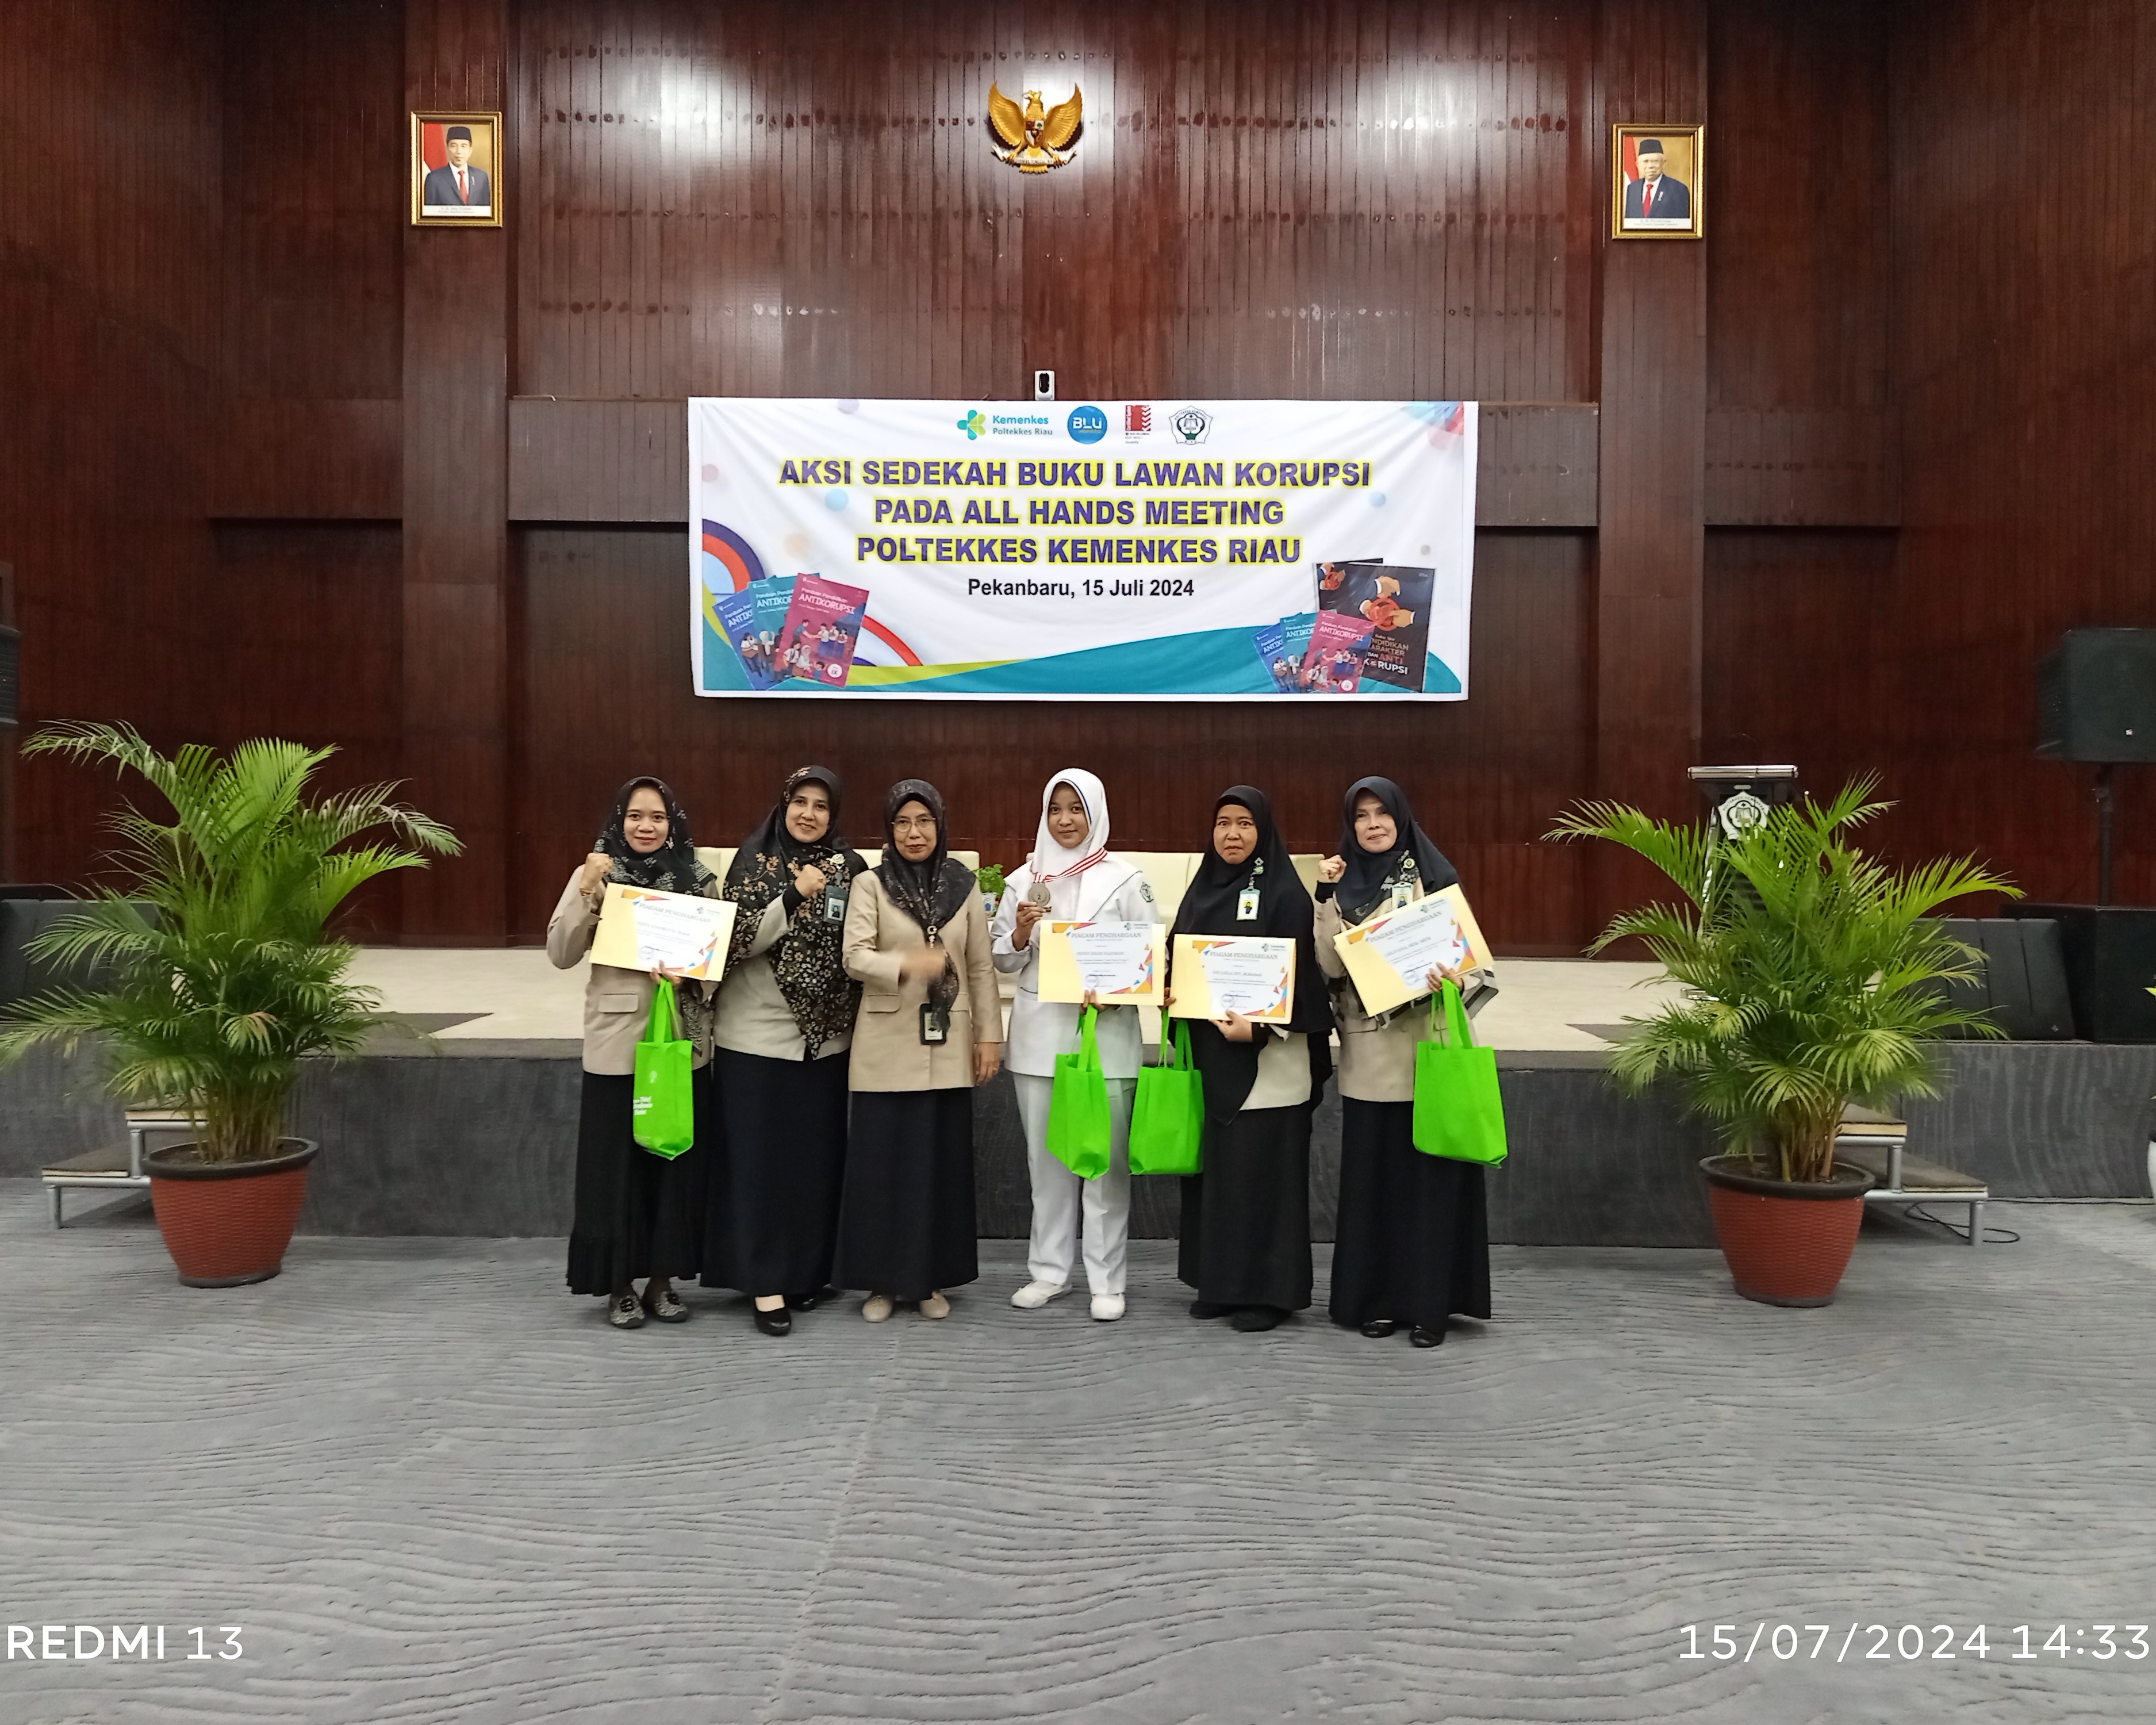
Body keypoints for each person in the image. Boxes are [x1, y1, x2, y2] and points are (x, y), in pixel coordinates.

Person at [1314, 777, 1493, 1350]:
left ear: (1400, 818)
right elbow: (1332, 971)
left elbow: (1473, 966)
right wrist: (1322, 900)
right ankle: (1379, 1301)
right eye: (1361, 815)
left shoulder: (1434, 879)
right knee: (1377, 1186)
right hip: (1371, 1057)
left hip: (1429, 1052)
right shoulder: (1339, 886)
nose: (1372, 824)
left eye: (1382, 814)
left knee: (1430, 1187)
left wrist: (1451, 977)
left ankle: (1430, 1306)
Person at [548, 777, 720, 1329]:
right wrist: (586, 891)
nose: (646, 827)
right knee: (614, 1169)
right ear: (619, 820)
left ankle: (663, 1280)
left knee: (671, 1167)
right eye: (635, 817)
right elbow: (559, 952)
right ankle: (618, 1283)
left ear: (675, 823)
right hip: (618, 1047)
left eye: (658, 817)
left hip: (680, 1046)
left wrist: (692, 972)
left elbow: (720, 968)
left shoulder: (699, 880)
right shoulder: (596, 875)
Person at [702, 766, 866, 1337]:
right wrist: (793, 895)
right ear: (783, 805)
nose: (809, 814)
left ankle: (805, 1271)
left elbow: (863, 942)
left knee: (811, 1164)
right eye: (800, 802)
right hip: (756, 1040)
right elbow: (731, 941)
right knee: (759, 1167)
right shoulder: (753, 863)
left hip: (825, 1044)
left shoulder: (850, 867)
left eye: (822, 806)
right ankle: (764, 1280)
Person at [833, 780, 1002, 1320]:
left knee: (938, 1170)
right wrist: (907, 964)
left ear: (940, 825)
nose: (914, 833)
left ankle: (928, 1281)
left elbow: (979, 967)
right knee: (882, 1171)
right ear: (890, 828)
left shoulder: (964, 885)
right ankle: (882, 1283)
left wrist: (989, 1037)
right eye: (903, 822)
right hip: (886, 1048)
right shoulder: (870, 885)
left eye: (924, 821)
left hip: (949, 1044)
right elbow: (854, 957)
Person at [992, 770, 1156, 1321]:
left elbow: (1148, 957)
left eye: (1076, 809)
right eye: (1056, 808)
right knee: (1048, 1167)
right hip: (1040, 1040)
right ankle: (1050, 1272)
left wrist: (1120, 992)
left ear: (1096, 814)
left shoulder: (1126, 878)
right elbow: (1000, 959)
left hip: (1106, 1040)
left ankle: (1108, 1281)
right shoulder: (1022, 882)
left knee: (1103, 1168)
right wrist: (1017, 934)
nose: (1065, 820)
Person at [1170, 787, 1333, 1333]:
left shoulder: (1287, 894)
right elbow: (1179, 959)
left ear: (1263, 830)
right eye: (1222, 824)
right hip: (1214, 1062)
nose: (1232, 835)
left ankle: (1268, 1293)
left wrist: (1260, 1028)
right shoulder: (1200, 892)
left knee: (1265, 1179)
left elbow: (1306, 985)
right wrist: (1171, 993)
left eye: (1244, 824)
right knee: (1221, 1178)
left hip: (1273, 1068)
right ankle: (1219, 1283)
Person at [422, 124, 493, 213]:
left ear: (470, 150)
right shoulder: (434, 178)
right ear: (447, 149)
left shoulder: (481, 177)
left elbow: (486, 212)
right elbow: (428, 215)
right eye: (454, 146)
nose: (459, 152)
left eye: (464, 146)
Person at [1624, 139, 1690, 221]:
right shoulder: (1632, 189)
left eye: (1655, 161)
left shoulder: (1678, 189)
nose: (1650, 166)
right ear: (1638, 165)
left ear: (1663, 164)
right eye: (1646, 161)